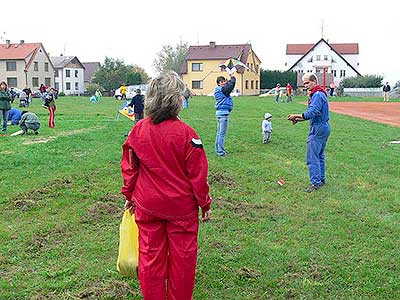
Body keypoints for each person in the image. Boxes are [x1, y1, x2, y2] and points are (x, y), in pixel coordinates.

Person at [121, 71, 212, 300]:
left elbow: (130, 167)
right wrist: (205, 203)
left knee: (150, 257)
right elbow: (198, 176)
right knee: (183, 260)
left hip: (148, 206)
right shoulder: (187, 134)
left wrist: (129, 195)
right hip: (181, 210)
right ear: (178, 100)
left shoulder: (138, 130)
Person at [287, 73, 331, 193]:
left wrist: (295, 115)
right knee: (320, 155)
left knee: (312, 157)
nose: (305, 85)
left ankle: (315, 183)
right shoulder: (319, 93)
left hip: (318, 128)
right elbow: (314, 114)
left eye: (307, 83)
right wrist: (298, 119)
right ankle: (321, 179)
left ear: (314, 81)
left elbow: (311, 113)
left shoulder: (317, 95)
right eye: (304, 83)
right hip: (323, 127)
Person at [214, 72, 236, 157]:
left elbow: (228, 86)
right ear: (219, 83)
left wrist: (228, 81)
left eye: (224, 81)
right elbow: (231, 85)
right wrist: (232, 76)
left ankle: (218, 150)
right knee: (221, 134)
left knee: (219, 133)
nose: (223, 83)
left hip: (220, 114)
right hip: (223, 114)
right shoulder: (222, 90)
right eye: (222, 82)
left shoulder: (219, 90)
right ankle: (221, 152)